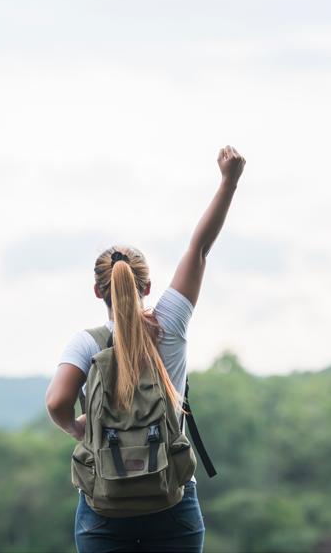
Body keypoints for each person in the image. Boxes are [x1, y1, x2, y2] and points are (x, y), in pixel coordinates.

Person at [45, 145, 246, 553]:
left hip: (105, 507)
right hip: (171, 499)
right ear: (147, 287)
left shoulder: (86, 342)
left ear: (98, 291)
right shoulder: (170, 323)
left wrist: (77, 428)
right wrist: (229, 181)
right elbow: (200, 249)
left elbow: (57, 403)